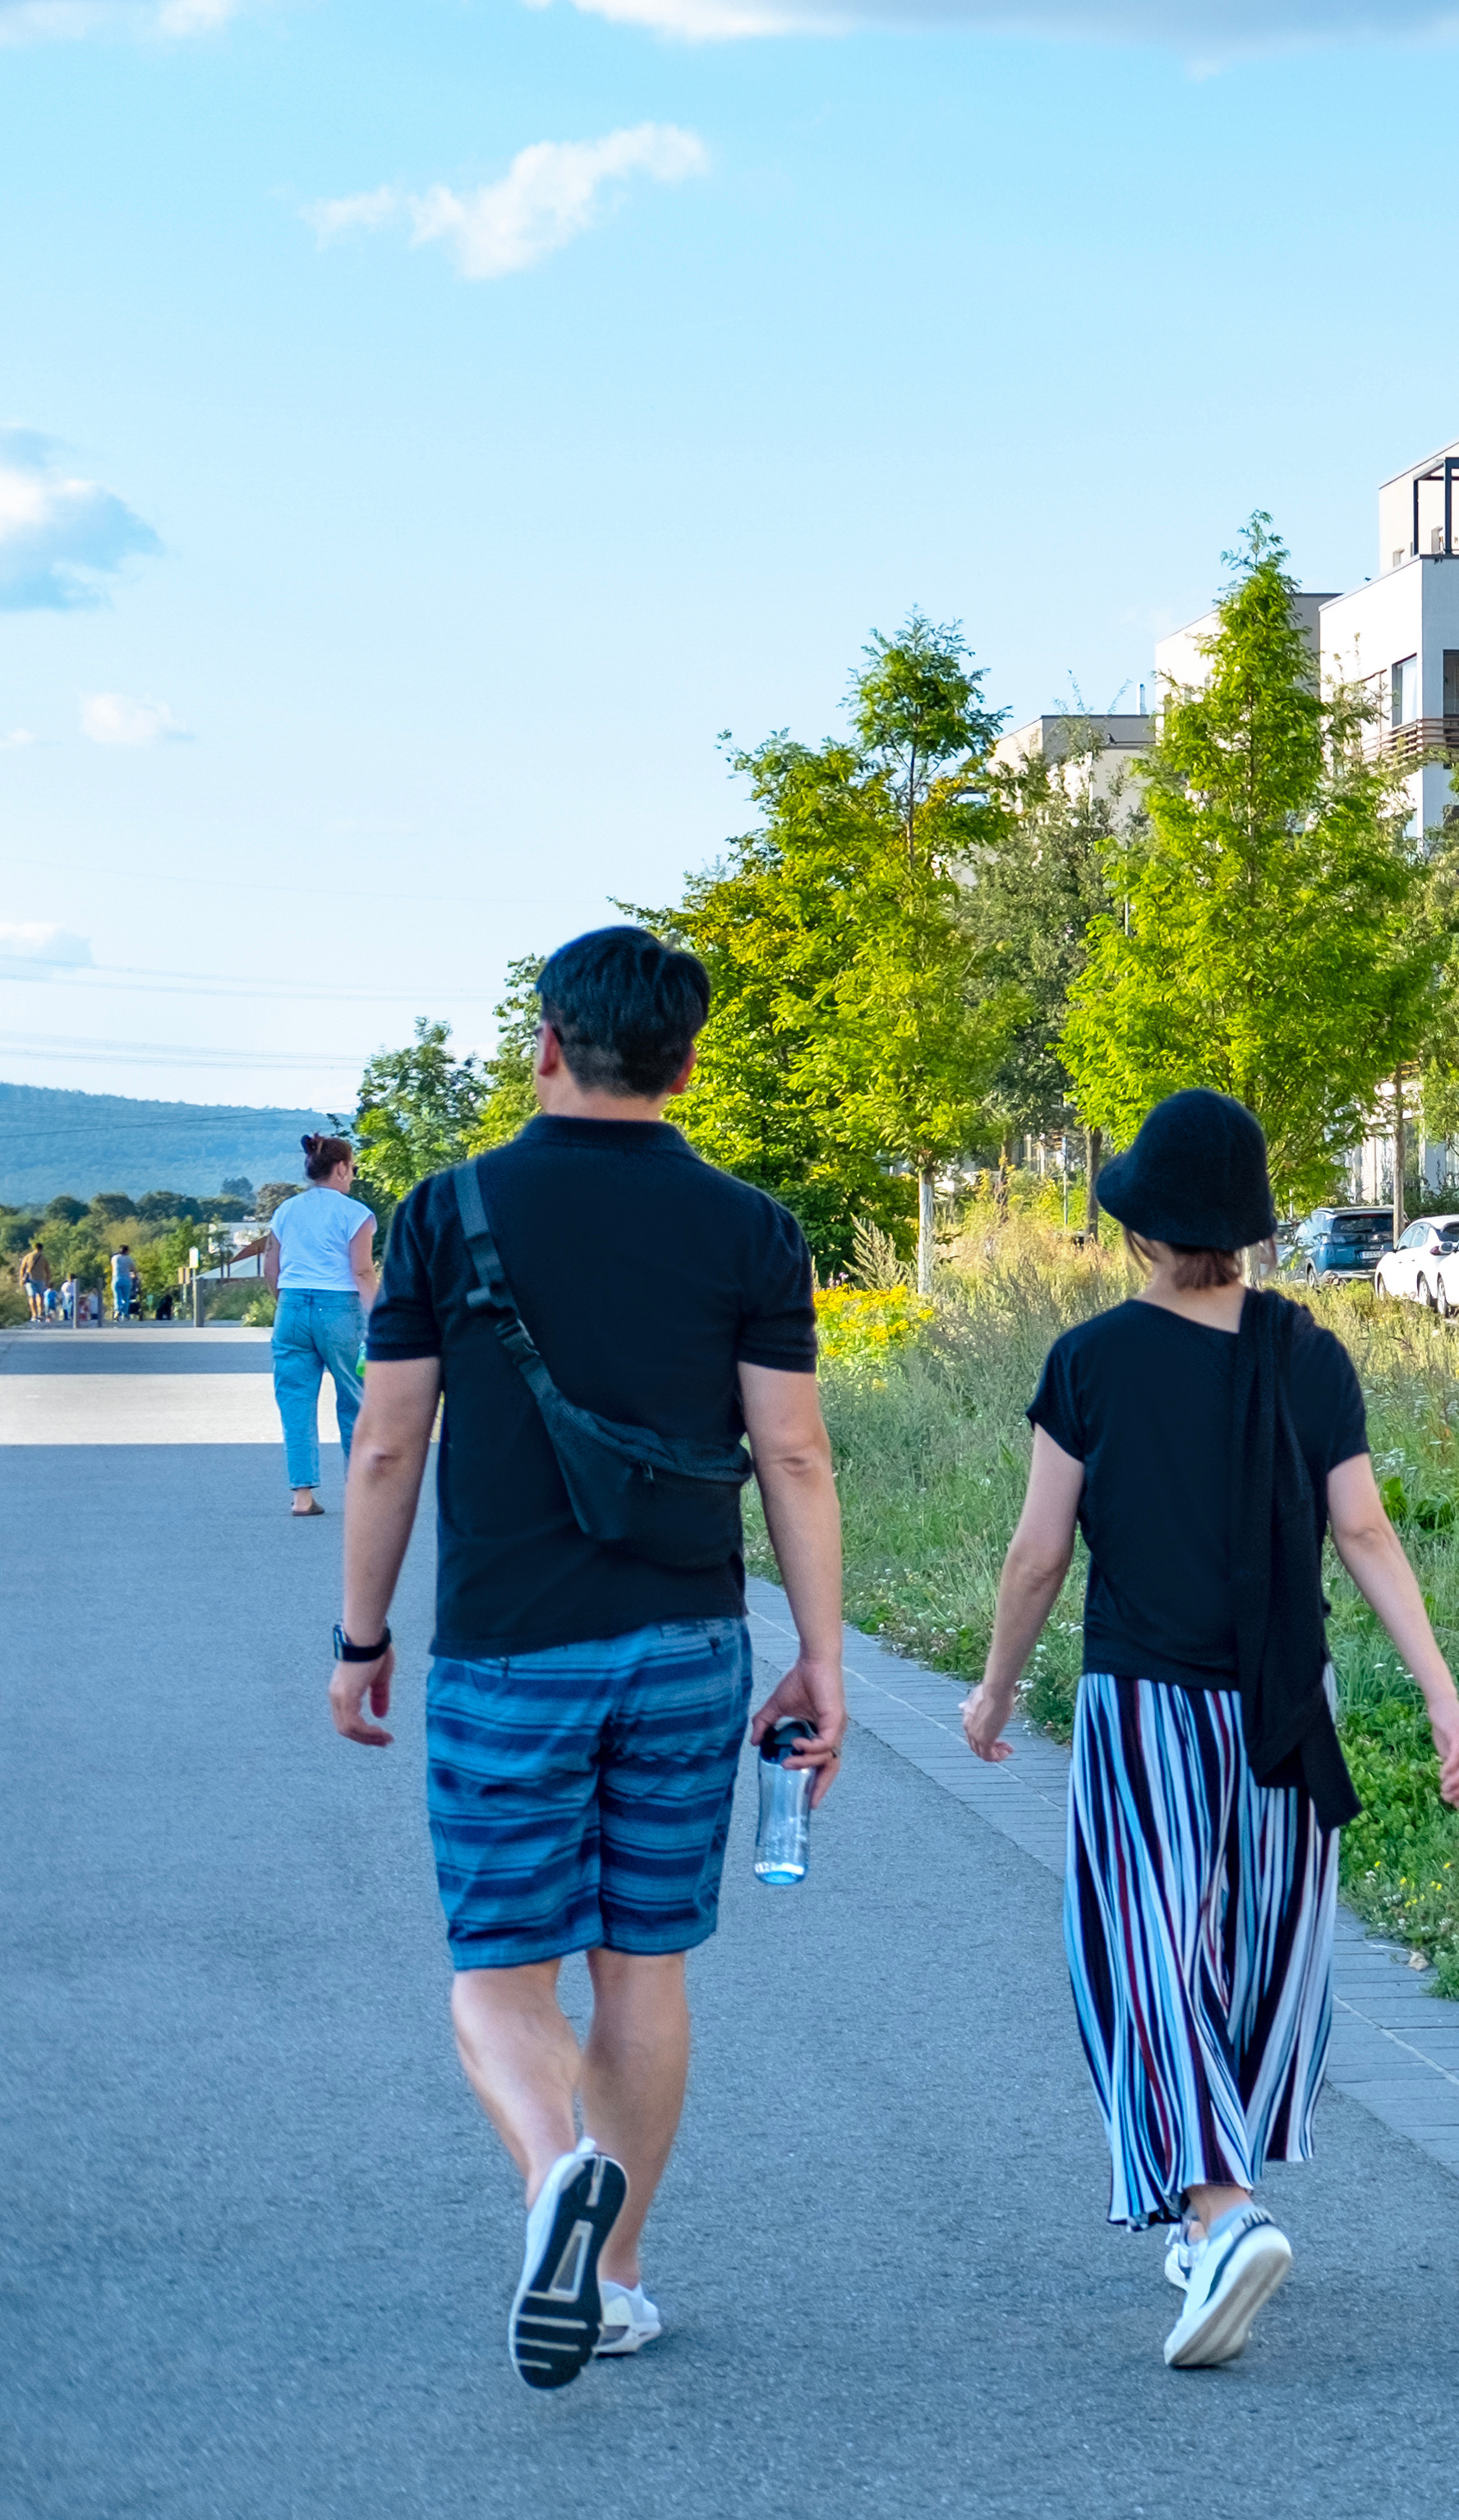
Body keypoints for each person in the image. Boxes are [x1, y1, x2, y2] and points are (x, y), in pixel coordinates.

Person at [325, 927, 847, 2390]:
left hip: (507, 1652)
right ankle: (611, 2283)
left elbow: (385, 1446)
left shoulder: (446, 1212)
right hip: (687, 1646)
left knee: (497, 1979)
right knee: (645, 1971)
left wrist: (362, 1637)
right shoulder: (751, 1228)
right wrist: (817, 1658)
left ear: (544, 1043)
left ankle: (558, 2174)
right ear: (685, 1063)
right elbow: (792, 1453)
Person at [960, 1087, 1459, 2370]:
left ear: (1141, 1227)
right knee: (1253, 1961)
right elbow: (1361, 1531)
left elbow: (1038, 1557)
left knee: (1139, 1958)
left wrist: (989, 1690)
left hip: (1145, 1704)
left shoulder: (1088, 1360)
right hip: (1283, 1712)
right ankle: (1216, 2203)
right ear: (1248, 1229)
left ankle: (1216, 2205)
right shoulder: (1307, 1352)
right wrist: (1438, 1692)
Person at [251, 1137, 381, 1513]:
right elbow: (362, 1271)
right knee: (355, 1400)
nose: (353, 1176)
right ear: (341, 1168)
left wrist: (287, 1306)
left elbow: (271, 1269)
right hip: (339, 1309)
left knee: (295, 1401)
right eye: (353, 1169)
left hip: (291, 1307)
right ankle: (358, 1494)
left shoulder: (285, 1212)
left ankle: (302, 1497)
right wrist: (380, 1316)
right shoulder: (356, 1214)